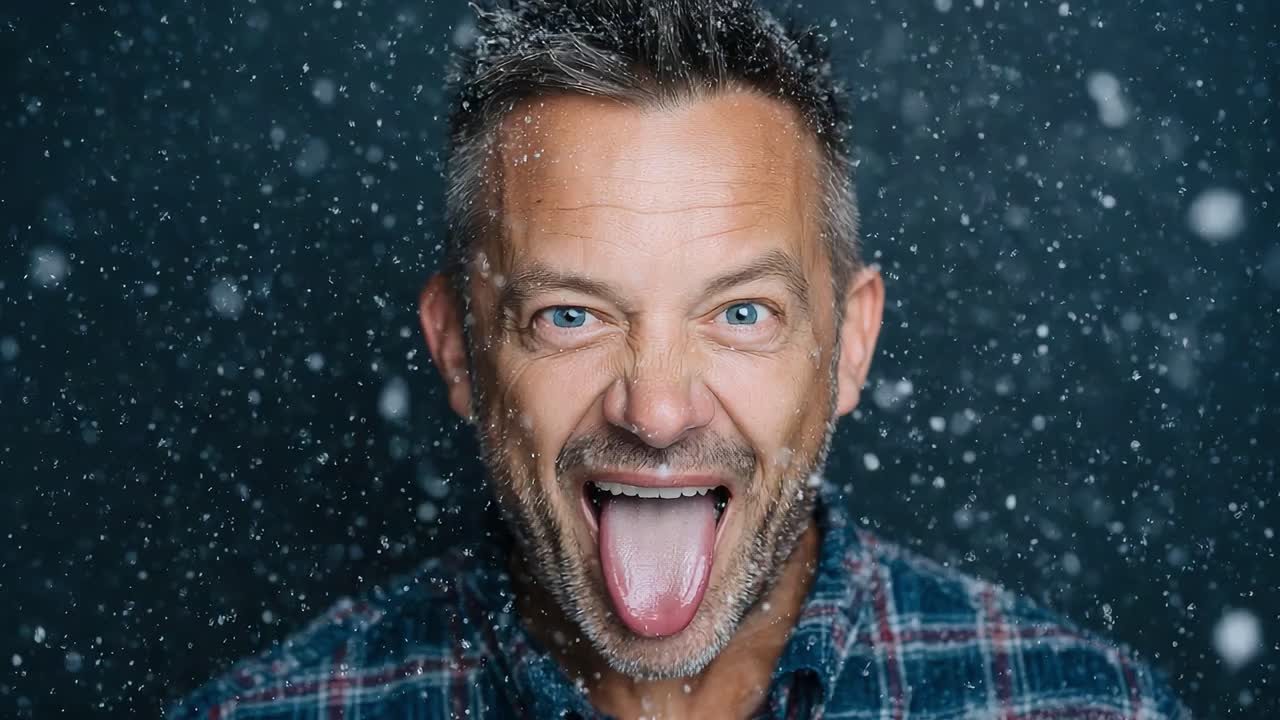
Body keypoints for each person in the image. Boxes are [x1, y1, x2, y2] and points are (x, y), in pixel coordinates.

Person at [172, 0, 1188, 717]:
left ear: (850, 342)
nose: (655, 411)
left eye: (740, 312)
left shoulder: (1083, 709)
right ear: (456, 347)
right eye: (569, 316)